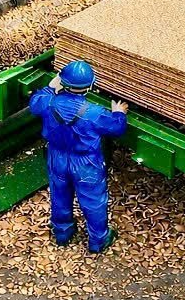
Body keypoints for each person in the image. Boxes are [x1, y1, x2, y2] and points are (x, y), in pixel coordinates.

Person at [29, 60, 128, 253]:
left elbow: (34, 103)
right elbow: (117, 128)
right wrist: (119, 113)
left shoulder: (47, 102)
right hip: (85, 163)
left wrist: (51, 87)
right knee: (92, 200)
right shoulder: (94, 113)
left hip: (56, 157)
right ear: (90, 86)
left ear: (62, 82)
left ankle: (62, 232)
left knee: (59, 195)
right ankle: (98, 240)